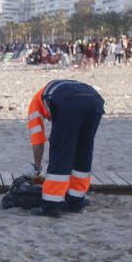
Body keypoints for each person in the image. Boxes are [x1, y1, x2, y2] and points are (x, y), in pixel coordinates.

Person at [26, 79, 104, 217]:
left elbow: (38, 141)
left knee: (61, 152)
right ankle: (76, 202)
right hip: (94, 101)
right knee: (83, 151)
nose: (49, 120)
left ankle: (51, 205)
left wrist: (37, 167)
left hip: (69, 103)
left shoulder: (34, 105)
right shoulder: (56, 89)